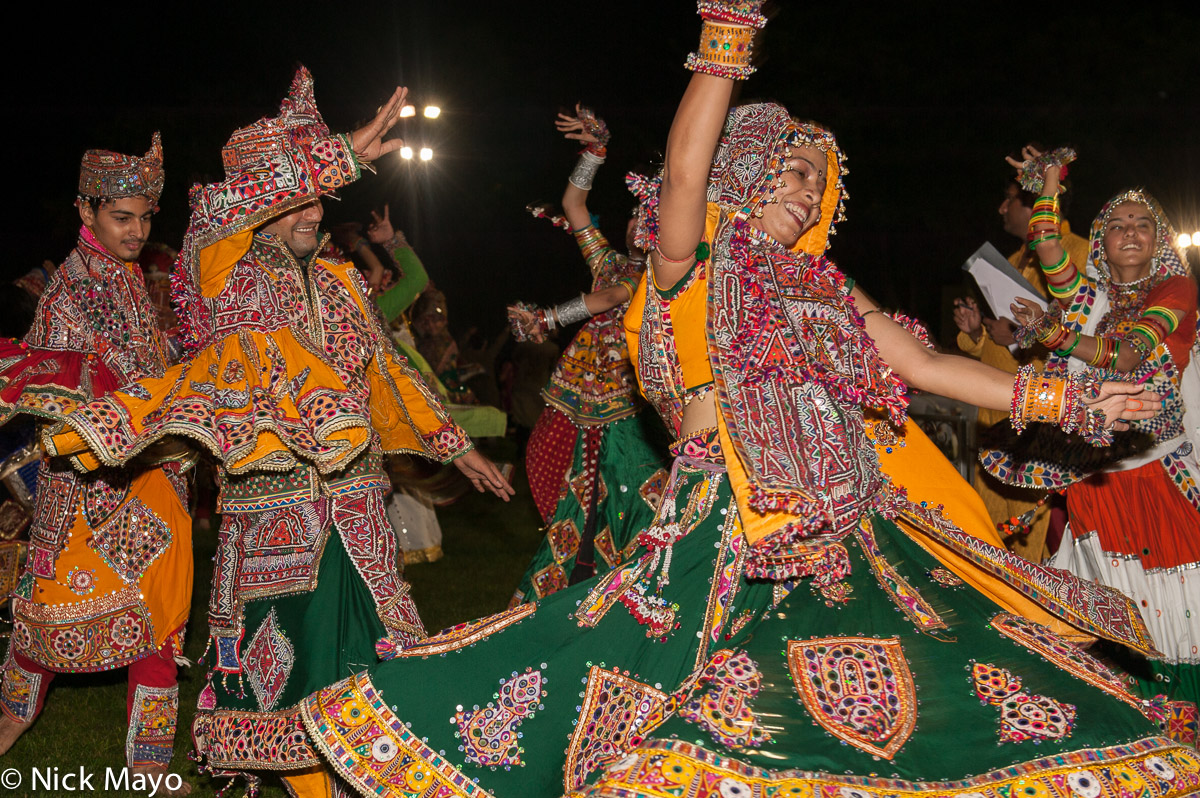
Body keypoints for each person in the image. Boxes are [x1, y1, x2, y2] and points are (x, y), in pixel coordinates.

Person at [293, 8, 1193, 798]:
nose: (807, 190)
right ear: (748, 167)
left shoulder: (826, 288)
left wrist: (1067, 399)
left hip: (847, 521)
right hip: (727, 522)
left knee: (934, 684)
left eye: (818, 178)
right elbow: (685, 175)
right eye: (790, 168)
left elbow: (924, 364)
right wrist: (725, 40)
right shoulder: (695, 265)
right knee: (662, 692)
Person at [45, 67, 513, 796]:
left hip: (359, 512)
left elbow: (389, 374)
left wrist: (460, 448)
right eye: (295, 200)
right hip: (273, 524)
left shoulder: (339, 282)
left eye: (320, 202)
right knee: (284, 688)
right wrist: (343, 152)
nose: (311, 215)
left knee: (383, 674)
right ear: (264, 202)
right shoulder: (220, 271)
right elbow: (225, 209)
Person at [0, 135, 194, 793]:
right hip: (89, 496)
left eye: (145, 217)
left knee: (160, 639)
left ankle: (148, 779)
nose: (138, 231)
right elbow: (49, 401)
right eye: (122, 217)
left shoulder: (129, 277)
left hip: (150, 485)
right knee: (37, 645)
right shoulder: (71, 292)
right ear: (87, 211)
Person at [989, 152, 1200, 736]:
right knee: (1106, 606)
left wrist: (1053, 333)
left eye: (1142, 224)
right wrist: (1051, 182)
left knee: (1180, 609)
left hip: (1160, 481)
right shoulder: (1089, 296)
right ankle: (1128, 735)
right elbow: (1049, 247)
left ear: (1158, 240)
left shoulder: (1176, 289)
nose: (1129, 233)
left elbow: (1129, 356)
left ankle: (1186, 734)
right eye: (1116, 226)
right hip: (1095, 480)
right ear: (1101, 242)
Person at [507, 106, 669, 600]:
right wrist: (594, 153)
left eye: (654, 216)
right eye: (638, 213)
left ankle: (645, 596)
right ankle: (577, 600)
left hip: (636, 416)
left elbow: (613, 299)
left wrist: (549, 318)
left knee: (642, 508)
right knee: (577, 507)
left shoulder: (664, 282)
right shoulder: (611, 264)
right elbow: (575, 207)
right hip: (585, 413)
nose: (642, 223)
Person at [953, 159, 1091, 560]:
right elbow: (997, 345)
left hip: (1040, 417)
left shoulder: (1076, 253)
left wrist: (1017, 338)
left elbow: (1082, 337)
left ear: (1036, 205)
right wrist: (979, 333)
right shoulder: (1013, 262)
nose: (1002, 208)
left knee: (1039, 536)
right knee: (997, 534)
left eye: (1010, 200)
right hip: (996, 418)